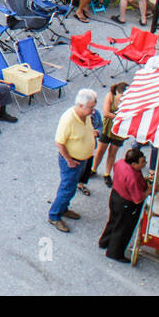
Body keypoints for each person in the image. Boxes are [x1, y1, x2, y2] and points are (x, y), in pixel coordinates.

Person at [49, 88, 99, 232]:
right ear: (81, 105)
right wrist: (69, 160)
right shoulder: (68, 119)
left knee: (70, 187)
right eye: (91, 107)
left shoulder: (86, 116)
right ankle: (54, 215)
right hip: (72, 161)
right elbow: (59, 143)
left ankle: (63, 208)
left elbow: (85, 130)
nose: (93, 110)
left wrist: (92, 133)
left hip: (82, 159)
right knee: (67, 188)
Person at [98, 147, 148, 262]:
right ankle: (114, 253)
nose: (145, 163)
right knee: (123, 228)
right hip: (126, 203)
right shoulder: (133, 177)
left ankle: (104, 241)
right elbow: (138, 199)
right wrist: (148, 191)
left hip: (115, 195)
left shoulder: (120, 163)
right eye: (142, 162)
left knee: (113, 220)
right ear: (134, 164)